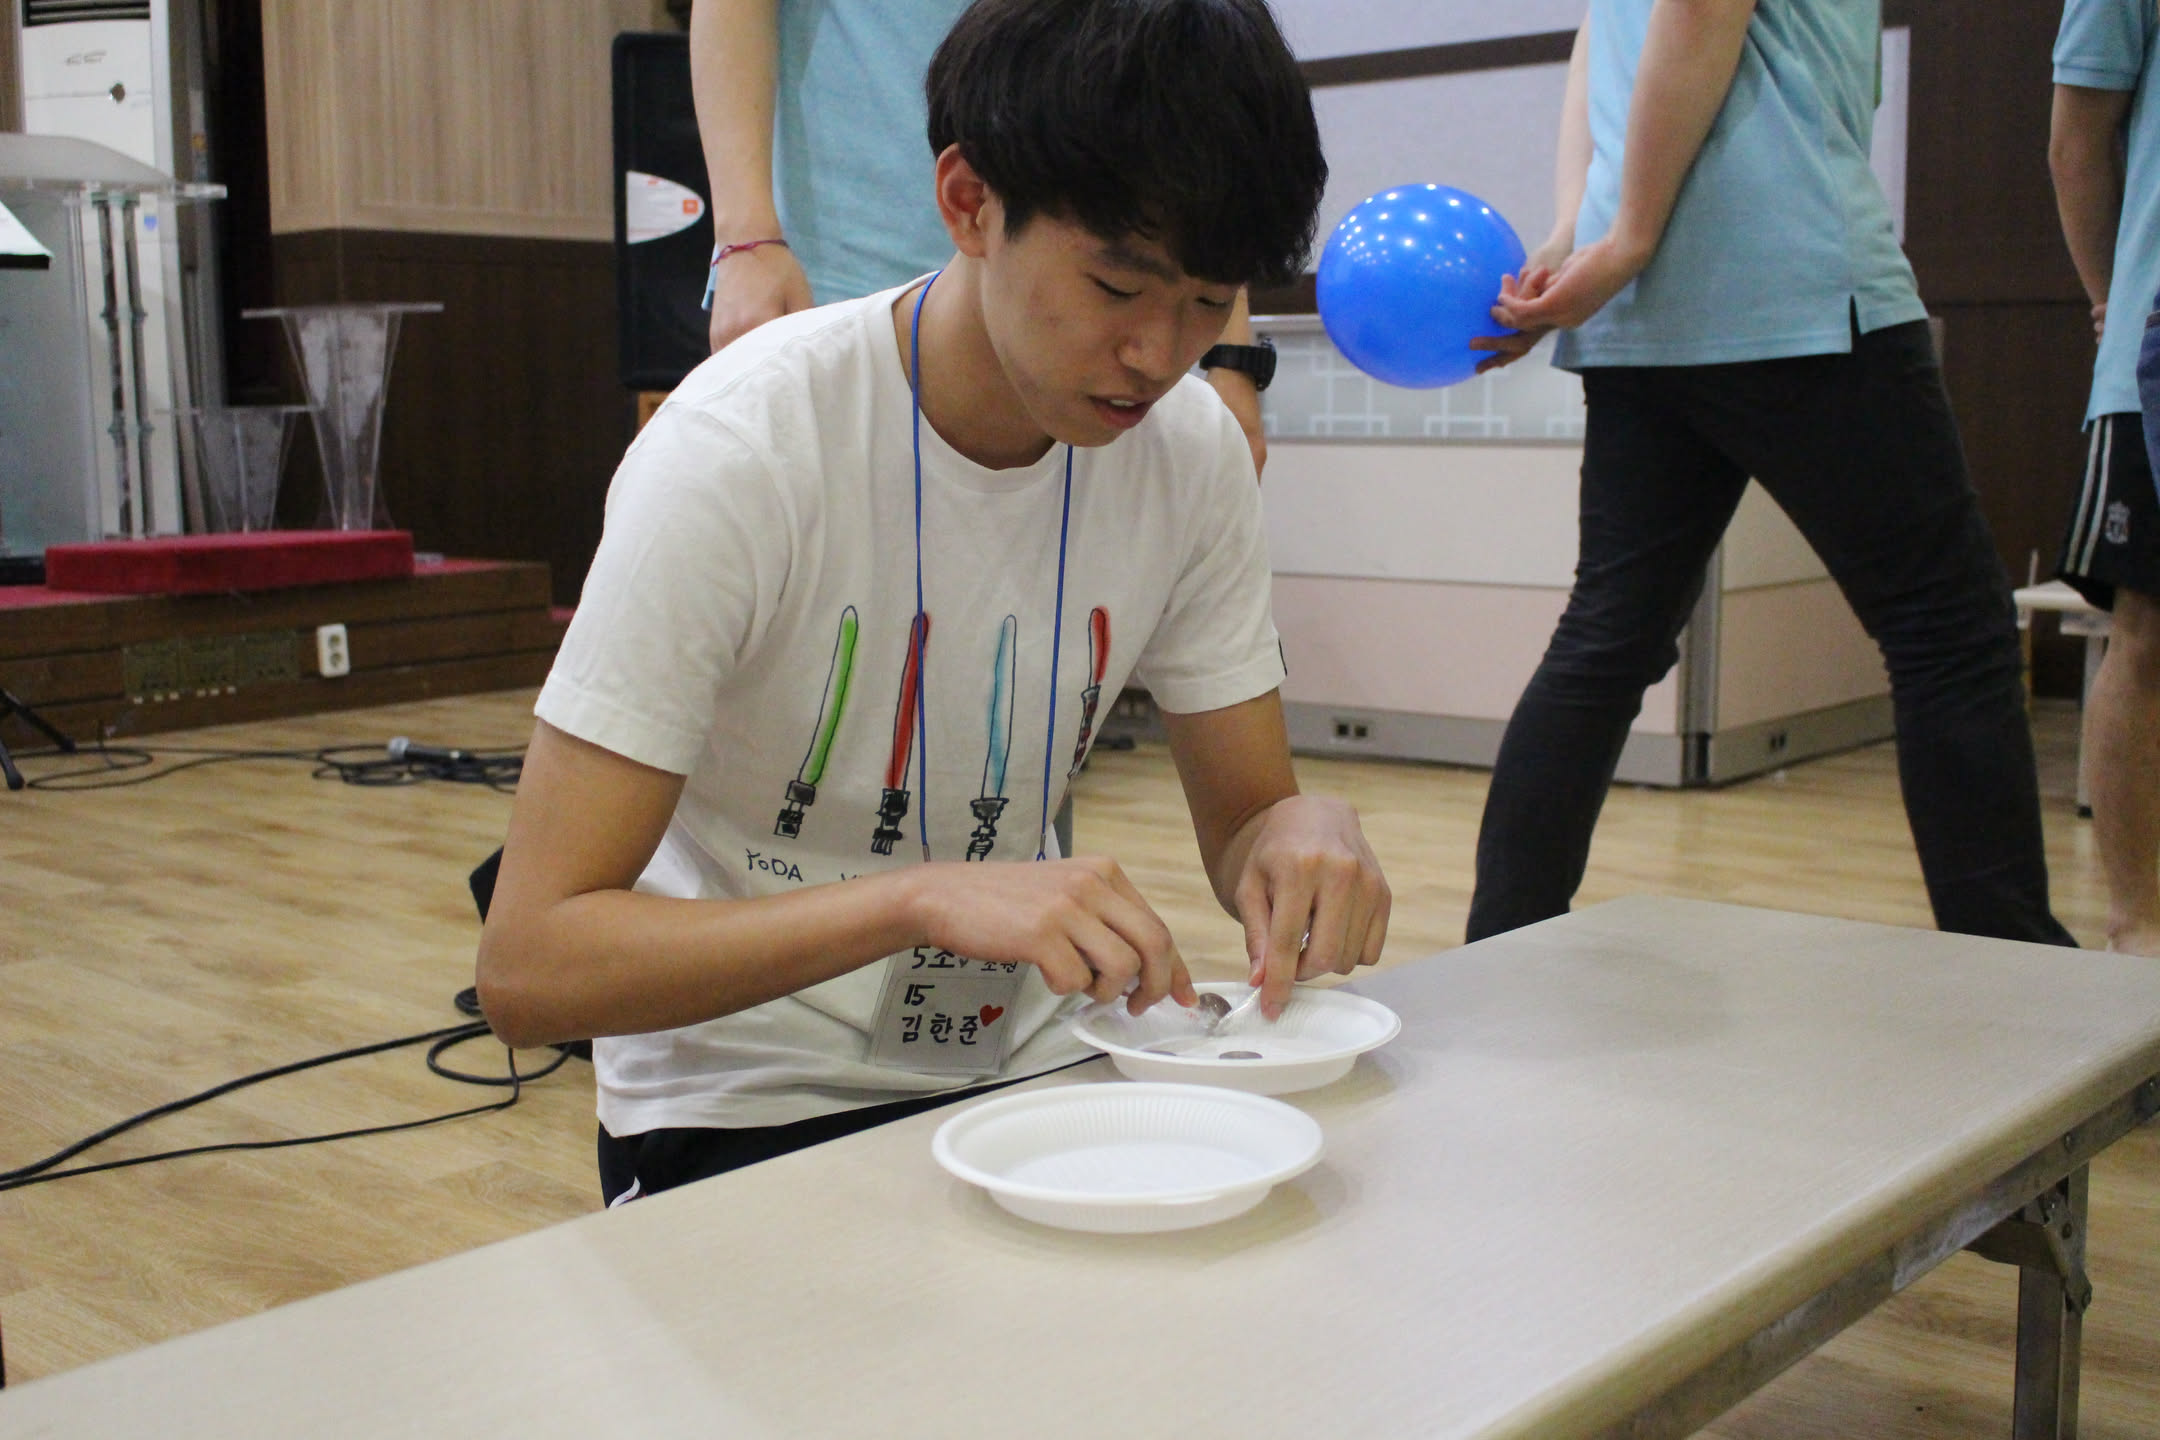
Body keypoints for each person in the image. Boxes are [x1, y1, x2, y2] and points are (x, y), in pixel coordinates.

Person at [479, 0, 1389, 1205]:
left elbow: (1246, 827)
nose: (1157, 355)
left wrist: (1297, 834)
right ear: (968, 203)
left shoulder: (1189, 454)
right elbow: (531, 967)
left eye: (1205, 303)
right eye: (1118, 285)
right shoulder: (741, 449)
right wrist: (916, 901)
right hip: (752, 1095)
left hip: (1037, 1061)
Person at [1468, 0, 2076, 948]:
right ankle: (2019, 968)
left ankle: (1501, 950)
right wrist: (1619, 237)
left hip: (1643, 313)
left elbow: (1603, 36)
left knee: (1607, 641)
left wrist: (1579, 232)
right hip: (1791, 274)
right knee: (1950, 636)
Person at [688, 0, 1276, 473]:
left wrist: (1229, 355)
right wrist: (746, 239)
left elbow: (1202, 115)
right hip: (848, 270)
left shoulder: (1160, 354)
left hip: (1102, 285)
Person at [2051, 0, 2160, 956]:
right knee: (2149, 631)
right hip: (2154, 349)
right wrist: (2112, 301)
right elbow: (2077, 138)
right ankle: (2142, 931)